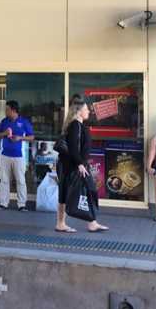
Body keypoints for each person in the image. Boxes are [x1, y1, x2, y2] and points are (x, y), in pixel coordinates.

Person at [56, 97, 109, 233]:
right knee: (83, 190)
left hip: (76, 164)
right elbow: (73, 147)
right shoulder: (75, 125)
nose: (89, 112)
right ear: (79, 112)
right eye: (86, 109)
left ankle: (90, 222)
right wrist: (80, 164)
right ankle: (62, 223)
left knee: (86, 190)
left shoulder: (78, 125)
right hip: (72, 165)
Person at [0, 101, 34, 211]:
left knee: (21, 180)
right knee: (4, 180)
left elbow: (31, 137)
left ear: (13, 110)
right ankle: (3, 203)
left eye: (7, 109)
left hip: (19, 156)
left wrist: (20, 138)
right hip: (4, 155)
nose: (5, 111)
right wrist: (4, 133)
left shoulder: (24, 122)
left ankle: (22, 204)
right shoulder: (4, 121)